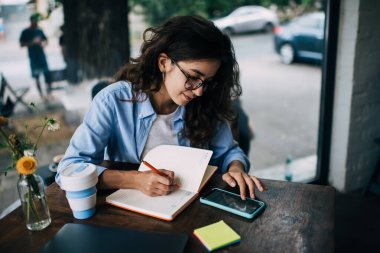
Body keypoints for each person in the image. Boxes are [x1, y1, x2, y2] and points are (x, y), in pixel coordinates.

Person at [56, 15, 265, 200]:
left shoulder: (205, 101)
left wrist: (236, 168)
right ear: (164, 62)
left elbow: (229, 152)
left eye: (208, 82)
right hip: (126, 214)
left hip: (189, 210)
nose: (199, 91)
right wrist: (134, 179)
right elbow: (68, 170)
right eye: (193, 77)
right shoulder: (113, 101)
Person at [19, 13, 52, 99]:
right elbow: (21, 44)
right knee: (36, 76)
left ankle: (49, 92)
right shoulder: (25, 32)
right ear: (31, 22)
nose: (36, 23)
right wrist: (32, 42)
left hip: (41, 55)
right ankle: (41, 94)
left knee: (47, 73)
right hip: (33, 57)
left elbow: (46, 39)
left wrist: (44, 44)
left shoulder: (39, 30)